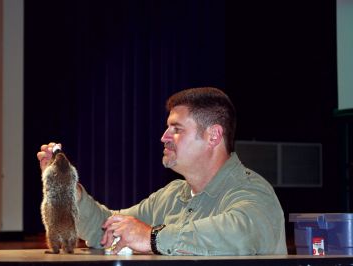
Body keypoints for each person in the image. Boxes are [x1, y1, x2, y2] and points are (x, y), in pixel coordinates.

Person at [37, 87, 287, 256]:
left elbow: (241, 234)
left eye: (176, 129)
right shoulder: (171, 196)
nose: (163, 137)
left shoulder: (253, 192)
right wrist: (67, 191)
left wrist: (152, 237)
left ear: (213, 136)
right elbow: (108, 229)